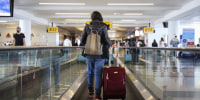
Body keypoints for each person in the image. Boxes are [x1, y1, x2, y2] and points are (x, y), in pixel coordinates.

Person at [80, 11, 111, 100]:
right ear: (100, 17)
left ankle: (90, 92)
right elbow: (106, 40)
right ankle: (97, 95)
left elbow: (82, 39)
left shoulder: (87, 26)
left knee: (90, 73)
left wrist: (84, 46)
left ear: (92, 18)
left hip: (89, 54)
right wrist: (109, 43)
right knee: (98, 74)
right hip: (100, 55)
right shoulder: (104, 26)